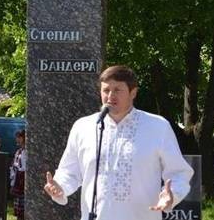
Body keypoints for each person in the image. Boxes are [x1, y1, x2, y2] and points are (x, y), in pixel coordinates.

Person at [44, 65, 194, 220]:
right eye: (106, 90)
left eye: (117, 90)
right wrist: (59, 186)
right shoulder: (84, 127)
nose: (110, 96)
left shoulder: (157, 126)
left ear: (133, 92)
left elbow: (179, 172)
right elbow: (69, 171)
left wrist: (171, 195)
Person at [10, 130, 26, 220]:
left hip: (24, 180)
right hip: (18, 180)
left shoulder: (28, 152)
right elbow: (14, 167)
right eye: (17, 137)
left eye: (20, 137)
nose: (17, 139)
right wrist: (12, 183)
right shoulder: (18, 151)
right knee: (19, 211)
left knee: (24, 209)